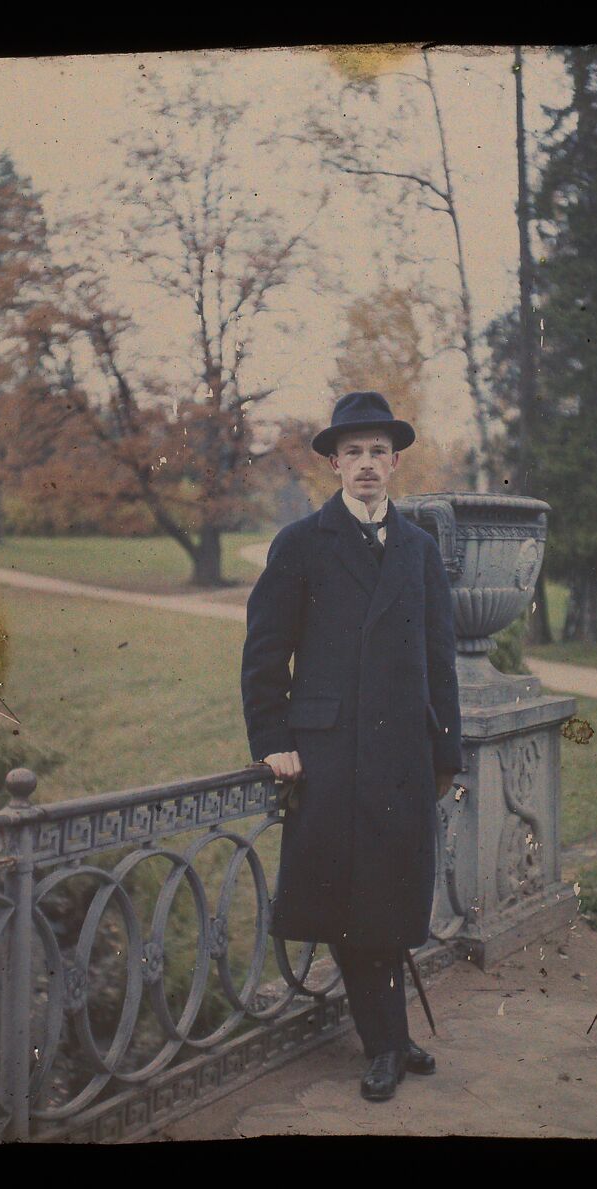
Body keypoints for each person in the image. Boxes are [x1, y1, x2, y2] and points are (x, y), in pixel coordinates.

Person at [241, 390, 463, 1101]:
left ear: (395, 462)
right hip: (328, 754)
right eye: (352, 453)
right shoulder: (301, 544)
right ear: (333, 464)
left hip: (402, 755)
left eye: (377, 453)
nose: (366, 465)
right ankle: (384, 1045)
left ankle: (390, 1039)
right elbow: (264, 654)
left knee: (391, 896)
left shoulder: (420, 549)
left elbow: (439, 658)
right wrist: (273, 739)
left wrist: (445, 752)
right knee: (343, 900)